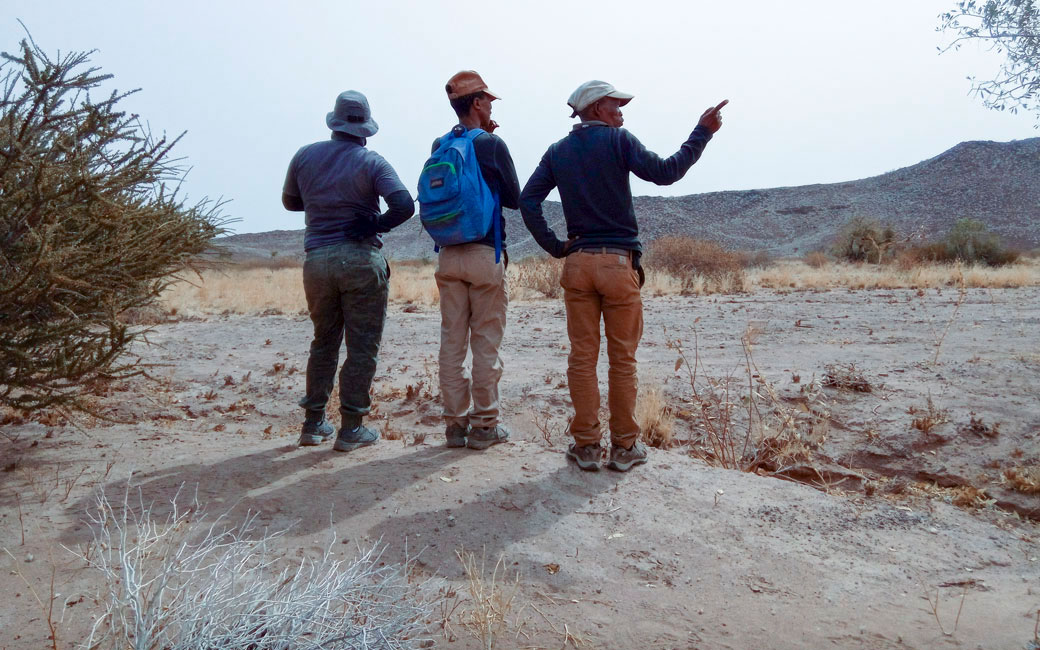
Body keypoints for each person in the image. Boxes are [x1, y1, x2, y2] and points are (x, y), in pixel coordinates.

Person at [519, 80, 727, 472]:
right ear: (597, 109)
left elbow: (528, 200)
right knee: (622, 360)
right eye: (616, 106)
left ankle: (585, 447)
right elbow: (666, 173)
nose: (622, 113)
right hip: (618, 264)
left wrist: (556, 246)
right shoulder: (619, 141)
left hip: (577, 263)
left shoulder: (557, 152)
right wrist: (702, 132)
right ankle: (625, 448)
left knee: (582, 358)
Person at [282, 90, 414, 451]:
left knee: (323, 341)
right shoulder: (371, 162)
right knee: (361, 347)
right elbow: (403, 204)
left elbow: (290, 202)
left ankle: (313, 424)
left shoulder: (304, 156)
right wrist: (374, 223)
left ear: (334, 123)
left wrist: (321, 201)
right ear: (365, 129)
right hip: (359, 260)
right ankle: (352, 427)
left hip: (317, 260)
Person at [430, 70, 521, 449]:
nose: (490, 106)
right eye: (489, 101)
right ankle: (484, 426)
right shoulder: (489, 145)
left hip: (448, 256)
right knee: (485, 343)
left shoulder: (439, 144)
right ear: (479, 103)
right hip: (485, 254)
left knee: (452, 342)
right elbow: (514, 198)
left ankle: (454, 426)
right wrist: (493, 141)